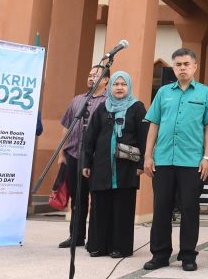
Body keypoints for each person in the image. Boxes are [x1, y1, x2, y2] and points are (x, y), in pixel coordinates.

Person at [143, 48, 208, 272]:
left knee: (189, 209)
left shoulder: (205, 93)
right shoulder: (163, 92)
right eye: (178, 65)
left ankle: (188, 255)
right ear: (173, 68)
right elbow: (154, 123)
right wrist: (148, 155)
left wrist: (207, 157)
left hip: (192, 162)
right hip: (163, 159)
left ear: (195, 67)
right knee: (162, 208)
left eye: (187, 64)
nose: (182, 68)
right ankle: (160, 254)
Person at [82, 71, 146, 258]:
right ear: (110, 87)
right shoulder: (103, 108)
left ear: (129, 87)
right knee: (100, 206)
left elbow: (144, 137)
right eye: (116, 84)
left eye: (123, 84)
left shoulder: (137, 107)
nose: (119, 87)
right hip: (101, 166)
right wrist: (86, 161)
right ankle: (98, 245)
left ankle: (120, 247)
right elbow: (90, 138)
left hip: (126, 167)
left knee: (122, 208)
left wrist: (142, 163)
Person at [57, 65, 109, 249]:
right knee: (77, 197)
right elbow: (66, 125)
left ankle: (95, 238)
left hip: (97, 157)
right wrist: (62, 152)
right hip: (74, 154)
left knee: (97, 198)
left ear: (105, 80)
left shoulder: (109, 101)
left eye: (96, 75)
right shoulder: (77, 101)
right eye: (89, 74)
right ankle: (76, 236)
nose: (91, 78)